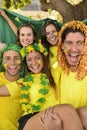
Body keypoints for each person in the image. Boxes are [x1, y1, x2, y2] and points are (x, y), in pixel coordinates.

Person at [18, 42, 83, 130]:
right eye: (29, 60)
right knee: (67, 109)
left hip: (55, 115)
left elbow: (68, 56)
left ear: (43, 59)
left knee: (84, 113)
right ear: (26, 63)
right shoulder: (23, 81)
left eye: (37, 58)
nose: (33, 62)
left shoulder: (54, 71)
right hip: (32, 119)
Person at [56, 20, 87, 129]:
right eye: (69, 43)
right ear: (62, 45)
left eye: (80, 43)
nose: (74, 49)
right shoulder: (59, 71)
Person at [0, 43, 24, 130]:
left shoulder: (26, 84)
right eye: (7, 58)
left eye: (16, 58)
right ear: (2, 61)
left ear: (22, 60)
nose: (12, 62)